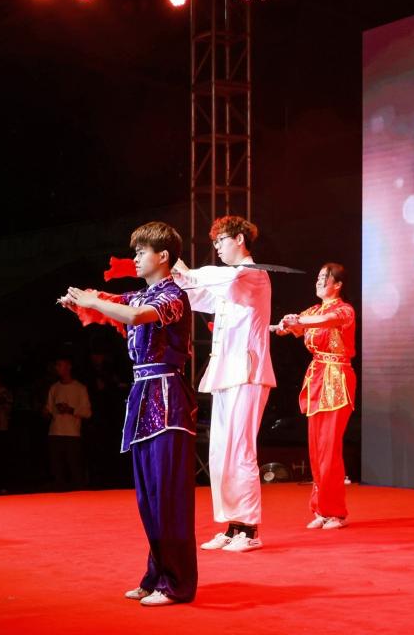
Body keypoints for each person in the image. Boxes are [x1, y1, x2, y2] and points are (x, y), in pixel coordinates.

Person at [59, 221, 197, 606]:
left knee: (167, 496)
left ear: (163, 256)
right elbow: (116, 306)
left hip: (167, 398)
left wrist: (92, 302)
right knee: (149, 497)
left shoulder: (172, 295)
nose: (134, 258)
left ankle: (177, 583)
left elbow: (135, 317)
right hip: (144, 395)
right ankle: (156, 576)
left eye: (140, 252)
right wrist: (82, 301)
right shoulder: (140, 295)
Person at [173, 215, 276, 552]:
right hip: (224, 374)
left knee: (241, 450)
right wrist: (178, 275)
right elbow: (198, 297)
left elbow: (219, 280)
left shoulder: (252, 274)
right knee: (220, 451)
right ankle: (232, 526)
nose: (217, 247)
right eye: (215, 242)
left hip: (248, 372)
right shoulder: (228, 282)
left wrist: (185, 269)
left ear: (239, 239)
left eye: (221, 240)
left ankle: (250, 529)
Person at [276, 263, 356, 530]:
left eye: (325, 278)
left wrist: (297, 321)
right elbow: (292, 327)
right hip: (317, 378)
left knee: (329, 448)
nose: (319, 282)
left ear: (338, 285)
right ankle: (321, 509)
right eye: (319, 277)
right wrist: (283, 325)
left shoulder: (344, 310)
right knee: (316, 449)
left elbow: (324, 321)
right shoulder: (312, 311)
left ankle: (335, 512)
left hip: (337, 378)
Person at [43, 357, 92, 490]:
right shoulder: (54, 388)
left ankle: (78, 494)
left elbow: (87, 412)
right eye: (56, 365)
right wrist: (46, 412)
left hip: (72, 434)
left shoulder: (80, 388)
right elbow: (49, 409)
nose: (57, 368)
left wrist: (70, 410)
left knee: (75, 468)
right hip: (55, 432)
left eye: (60, 365)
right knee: (57, 470)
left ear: (68, 366)